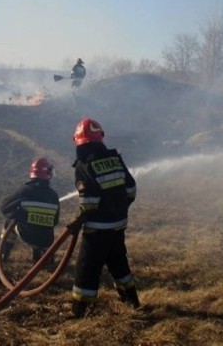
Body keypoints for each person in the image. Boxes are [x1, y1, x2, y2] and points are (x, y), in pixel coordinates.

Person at [67, 117, 140, 318]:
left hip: (97, 230)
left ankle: (79, 312)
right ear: (100, 138)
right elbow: (131, 189)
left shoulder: (84, 166)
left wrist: (78, 220)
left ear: (79, 142)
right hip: (118, 226)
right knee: (119, 262)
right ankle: (132, 302)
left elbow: (89, 202)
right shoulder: (115, 159)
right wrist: (118, 208)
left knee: (87, 268)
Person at [0, 157, 60, 264]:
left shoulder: (25, 191)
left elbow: (4, 208)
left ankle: (5, 253)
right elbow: (55, 222)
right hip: (47, 241)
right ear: (48, 173)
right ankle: (41, 253)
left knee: (9, 222)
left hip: (28, 236)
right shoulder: (53, 195)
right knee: (39, 228)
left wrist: (18, 214)